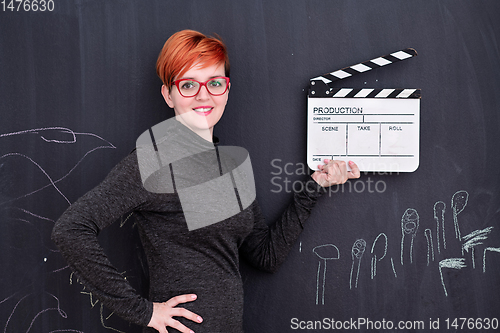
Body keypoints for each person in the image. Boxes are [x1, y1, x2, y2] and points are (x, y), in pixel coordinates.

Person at [51, 29, 360, 333]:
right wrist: (143, 312)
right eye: (188, 85)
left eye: (214, 83)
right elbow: (71, 229)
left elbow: (265, 256)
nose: (203, 95)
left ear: (226, 89)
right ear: (168, 95)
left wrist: (314, 186)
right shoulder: (154, 160)